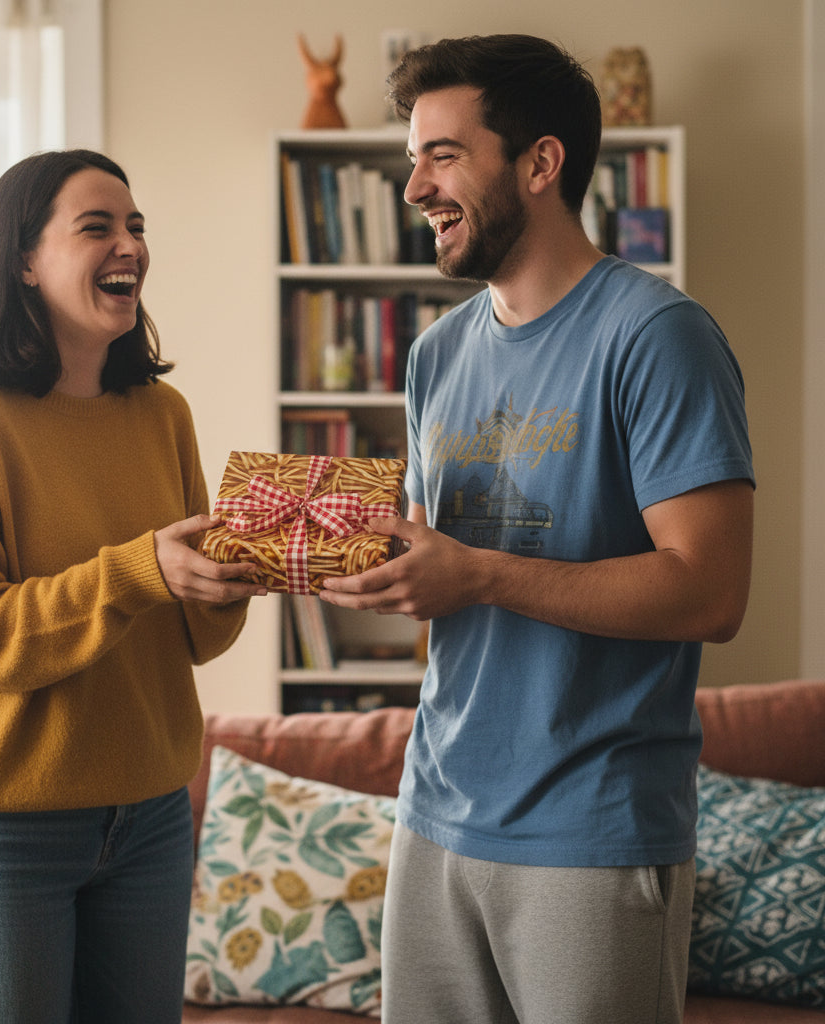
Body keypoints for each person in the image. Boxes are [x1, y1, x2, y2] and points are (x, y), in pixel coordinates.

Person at [319, 35, 754, 1024]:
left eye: (441, 155)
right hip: (433, 817)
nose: (412, 186)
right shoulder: (434, 354)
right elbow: (446, 564)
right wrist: (355, 561)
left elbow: (711, 591)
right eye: (412, 156)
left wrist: (475, 574)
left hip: (593, 828)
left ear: (539, 163)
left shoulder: (658, 335)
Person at [0, 149, 266, 1024]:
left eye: (136, 226)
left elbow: (196, 639)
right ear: (22, 258)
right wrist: (140, 571)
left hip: (151, 818)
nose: (128, 243)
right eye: (97, 226)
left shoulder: (162, 415)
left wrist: (236, 577)